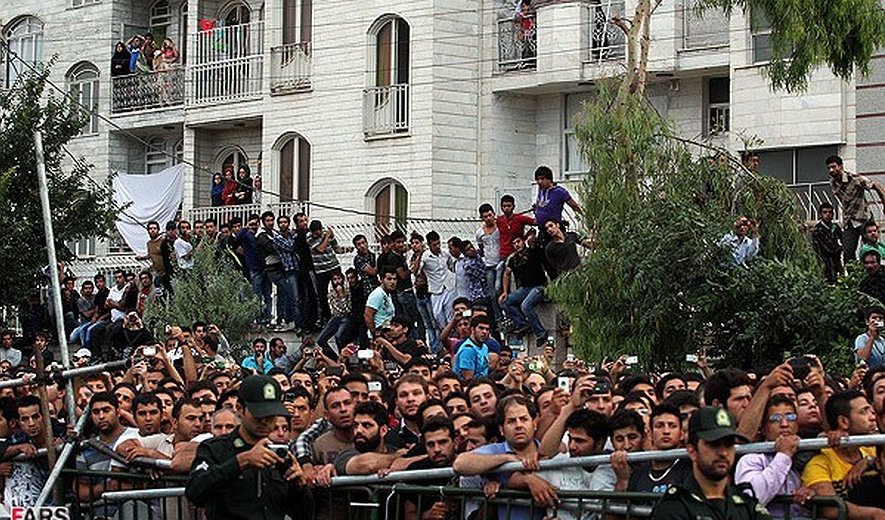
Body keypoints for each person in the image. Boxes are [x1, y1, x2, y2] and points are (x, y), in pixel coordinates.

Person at [186, 375, 312, 519]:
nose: (265, 421)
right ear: (240, 409)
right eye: (259, 415)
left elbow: (303, 513)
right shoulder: (215, 449)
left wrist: (300, 485)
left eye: (271, 415)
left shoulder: (280, 454)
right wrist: (240, 462)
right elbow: (194, 491)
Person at [649, 407, 769, 520]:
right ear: (692, 451)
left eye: (729, 444)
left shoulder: (746, 504)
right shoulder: (674, 507)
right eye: (714, 444)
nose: (723, 453)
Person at [801, 389, 881, 519]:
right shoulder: (819, 463)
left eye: (871, 411)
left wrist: (869, 461)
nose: (872, 417)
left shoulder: (871, 451)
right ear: (843, 421)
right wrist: (876, 514)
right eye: (863, 412)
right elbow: (830, 509)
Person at [734, 395, 815, 517]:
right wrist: (783, 456)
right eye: (775, 419)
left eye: (791, 417)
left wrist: (810, 493)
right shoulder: (751, 460)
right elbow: (752, 498)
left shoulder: (805, 457)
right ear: (763, 427)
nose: (784, 424)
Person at [827, 155, 885, 264]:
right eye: (829, 168)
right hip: (849, 221)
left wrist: (884, 203)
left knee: (870, 249)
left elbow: (876, 186)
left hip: (863, 218)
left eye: (834, 167)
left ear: (841, 166)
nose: (831, 170)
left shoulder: (855, 179)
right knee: (848, 252)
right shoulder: (833, 183)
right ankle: (854, 272)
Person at [500, 233, 548, 343]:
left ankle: (541, 333)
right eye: (514, 244)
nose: (517, 245)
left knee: (525, 306)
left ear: (523, 241)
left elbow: (535, 246)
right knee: (504, 302)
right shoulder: (513, 259)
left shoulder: (532, 252)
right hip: (525, 288)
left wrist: (532, 240)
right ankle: (523, 325)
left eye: (518, 242)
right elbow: (506, 274)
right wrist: (505, 292)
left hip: (539, 286)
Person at [811, 202, 844, 283]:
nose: (828, 214)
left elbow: (843, 240)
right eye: (825, 212)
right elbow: (828, 249)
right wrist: (840, 248)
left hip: (836, 262)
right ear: (820, 215)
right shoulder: (817, 230)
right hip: (824, 263)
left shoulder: (835, 227)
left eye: (830, 212)